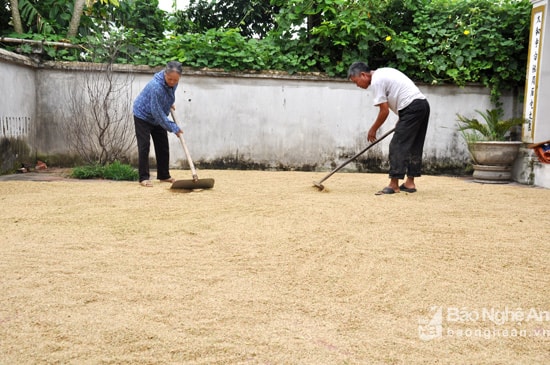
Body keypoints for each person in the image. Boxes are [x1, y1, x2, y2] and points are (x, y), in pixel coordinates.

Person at [348, 62, 430, 195]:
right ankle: (410, 183)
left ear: (363, 75)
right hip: (422, 105)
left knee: (397, 145)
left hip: (412, 108)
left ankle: (394, 185)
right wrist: (401, 118)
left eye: (356, 81)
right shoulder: (383, 72)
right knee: (415, 144)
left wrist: (373, 129)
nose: (357, 85)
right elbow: (402, 94)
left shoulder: (376, 82)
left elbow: (384, 111)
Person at [133, 61, 184, 187]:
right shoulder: (156, 86)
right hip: (143, 115)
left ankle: (164, 175)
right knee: (144, 146)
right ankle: (143, 178)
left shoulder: (174, 82)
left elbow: (168, 94)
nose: (172, 82)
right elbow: (157, 113)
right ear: (164, 74)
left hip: (157, 115)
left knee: (163, 145)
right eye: (169, 79)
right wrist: (173, 127)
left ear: (179, 77)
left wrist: (168, 102)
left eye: (175, 80)